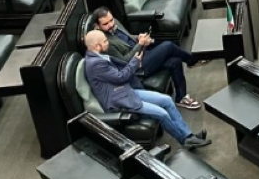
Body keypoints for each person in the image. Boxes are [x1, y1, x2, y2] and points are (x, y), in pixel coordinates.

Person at [83, 30, 211, 149]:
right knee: (162, 113)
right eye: (105, 41)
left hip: (127, 92)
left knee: (166, 100)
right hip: (119, 101)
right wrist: (135, 61)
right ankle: (185, 140)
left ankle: (188, 135)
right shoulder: (95, 64)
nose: (108, 43)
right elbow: (120, 77)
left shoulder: (97, 57)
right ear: (97, 46)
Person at [93, 7, 206, 110]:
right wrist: (141, 44)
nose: (111, 24)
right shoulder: (104, 43)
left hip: (144, 53)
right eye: (106, 24)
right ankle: (192, 60)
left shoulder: (114, 23)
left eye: (111, 20)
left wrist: (139, 38)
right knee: (168, 46)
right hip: (136, 66)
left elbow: (127, 38)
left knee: (175, 61)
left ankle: (181, 98)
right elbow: (124, 62)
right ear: (97, 26)